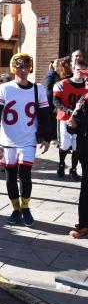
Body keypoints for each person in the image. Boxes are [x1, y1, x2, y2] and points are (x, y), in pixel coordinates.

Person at [0, 53, 51, 227]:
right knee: (10, 178)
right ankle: (15, 209)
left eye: (26, 67)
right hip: (7, 140)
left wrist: (46, 137)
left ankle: (26, 207)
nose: (23, 70)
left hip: (28, 139)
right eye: (19, 67)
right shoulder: (4, 88)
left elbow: (45, 116)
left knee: (25, 175)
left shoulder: (38, 89)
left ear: (30, 68)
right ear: (13, 68)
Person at [53, 61, 87, 180]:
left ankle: (73, 169)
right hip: (64, 119)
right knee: (65, 144)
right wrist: (66, 110)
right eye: (78, 69)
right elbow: (55, 101)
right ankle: (61, 163)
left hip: (79, 121)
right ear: (73, 69)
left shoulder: (86, 85)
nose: (80, 73)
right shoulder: (62, 84)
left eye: (83, 70)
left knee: (77, 146)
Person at [66, 67, 88, 238]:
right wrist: (72, 125)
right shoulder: (83, 100)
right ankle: (84, 224)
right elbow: (76, 126)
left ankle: (84, 225)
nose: (86, 81)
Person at [46, 58, 72, 144]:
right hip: (52, 98)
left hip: (55, 97)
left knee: (54, 118)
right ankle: (53, 137)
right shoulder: (52, 73)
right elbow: (49, 86)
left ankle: (55, 137)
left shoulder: (56, 73)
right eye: (58, 65)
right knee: (53, 118)